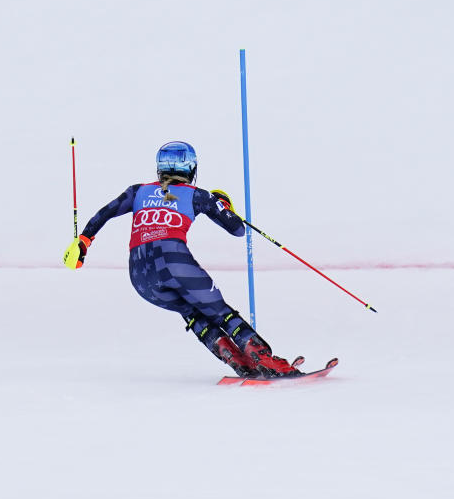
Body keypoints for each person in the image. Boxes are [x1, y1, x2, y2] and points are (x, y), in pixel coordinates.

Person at [63, 141, 301, 378]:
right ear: (192, 169)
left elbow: (105, 213)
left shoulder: (137, 191)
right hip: (174, 263)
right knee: (220, 312)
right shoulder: (197, 195)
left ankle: (239, 362)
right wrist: (223, 206)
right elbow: (238, 229)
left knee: (192, 313)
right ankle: (266, 361)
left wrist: (83, 241)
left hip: (140, 276)